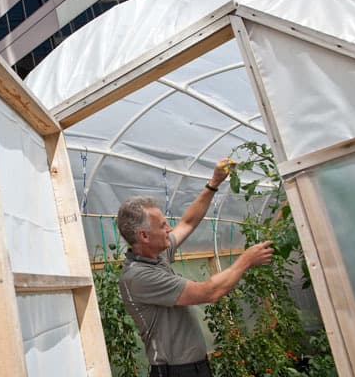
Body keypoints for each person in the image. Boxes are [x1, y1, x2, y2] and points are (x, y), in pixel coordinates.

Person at [117, 158, 274, 377]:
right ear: (144, 235)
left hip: (192, 367)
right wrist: (246, 260)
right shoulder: (139, 276)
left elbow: (188, 223)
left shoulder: (157, 254)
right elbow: (209, 292)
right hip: (174, 371)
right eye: (162, 226)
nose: (169, 229)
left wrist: (214, 183)